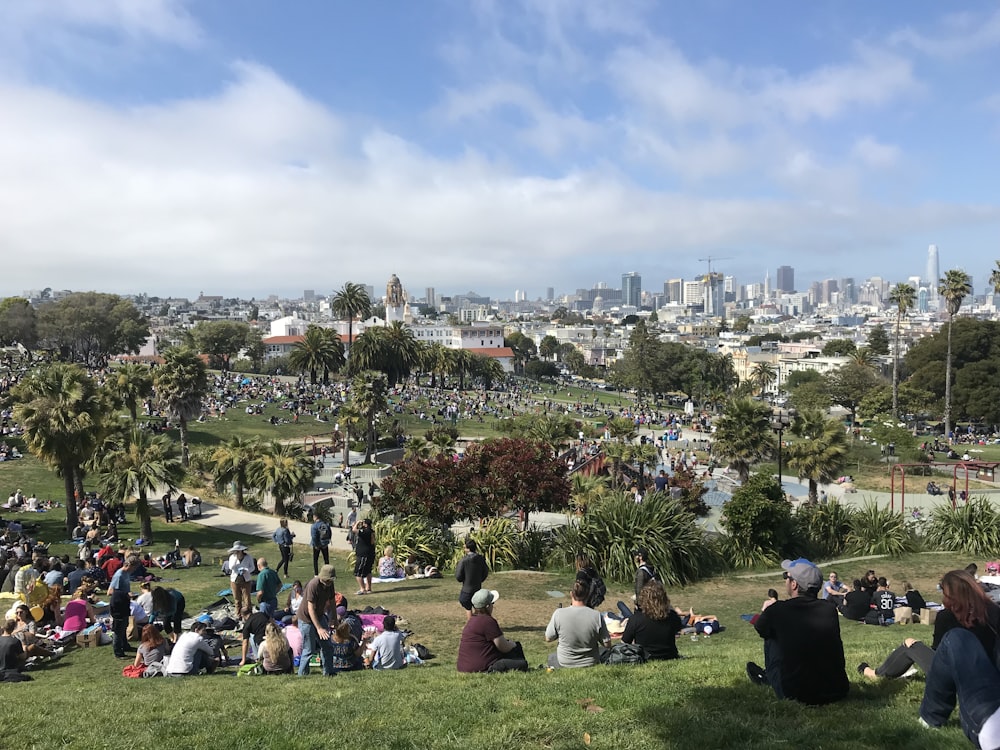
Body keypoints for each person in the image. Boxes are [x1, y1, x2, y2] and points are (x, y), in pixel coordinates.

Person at [747, 558, 849, 705]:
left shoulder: (777, 610)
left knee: (770, 635)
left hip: (795, 693)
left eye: (786, 577)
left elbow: (760, 629)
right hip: (836, 690)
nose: (785, 581)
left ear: (794, 584)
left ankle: (769, 676)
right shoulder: (829, 609)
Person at [919, 569, 1000, 746]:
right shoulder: (994, 613)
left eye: (944, 594)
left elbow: (937, 655)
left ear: (952, 598)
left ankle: (930, 716)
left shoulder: (946, 618)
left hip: (987, 710)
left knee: (953, 639)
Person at [457, 589, 528, 673]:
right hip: (481, 668)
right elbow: (503, 647)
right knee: (522, 662)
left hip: (463, 667)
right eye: (492, 603)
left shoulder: (472, 620)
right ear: (488, 606)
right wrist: (513, 644)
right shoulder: (488, 621)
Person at [545, 579, 611, 669]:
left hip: (565, 661)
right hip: (590, 661)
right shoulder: (596, 615)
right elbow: (607, 644)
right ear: (588, 595)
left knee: (551, 657)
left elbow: (548, 638)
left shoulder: (559, 613)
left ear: (571, 594)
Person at [621, 581, 683, 661]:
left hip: (645, 657)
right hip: (669, 655)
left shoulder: (636, 619)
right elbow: (678, 628)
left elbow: (624, 643)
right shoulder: (672, 616)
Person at [297, 564, 338, 676]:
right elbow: (311, 609)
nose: (329, 583)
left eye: (330, 580)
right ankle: (302, 675)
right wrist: (319, 628)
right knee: (309, 649)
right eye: (327, 580)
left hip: (319, 616)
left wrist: (334, 618)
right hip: (306, 619)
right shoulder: (313, 585)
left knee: (327, 646)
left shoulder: (330, 585)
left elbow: (332, 602)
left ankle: (328, 672)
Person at [107, 554, 140, 659]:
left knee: (125, 625)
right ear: (129, 565)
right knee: (118, 629)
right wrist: (126, 594)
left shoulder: (127, 574)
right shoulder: (119, 575)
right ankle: (118, 651)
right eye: (134, 567)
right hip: (117, 604)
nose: (134, 570)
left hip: (125, 603)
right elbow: (111, 592)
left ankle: (125, 645)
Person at [455, 538, 489, 619]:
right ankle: (480, 621)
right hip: (477, 587)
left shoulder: (463, 561)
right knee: (478, 606)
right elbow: (486, 571)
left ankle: (472, 624)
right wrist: (480, 579)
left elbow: (458, 577)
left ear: (467, 548)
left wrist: (463, 579)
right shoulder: (481, 559)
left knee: (467, 606)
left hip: (467, 589)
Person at [227, 542, 255, 618]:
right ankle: (238, 614)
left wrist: (246, 570)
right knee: (237, 599)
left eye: (238, 550)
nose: (236, 552)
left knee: (247, 599)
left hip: (246, 580)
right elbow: (231, 567)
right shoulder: (232, 557)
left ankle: (248, 614)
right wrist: (236, 559)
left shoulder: (248, 557)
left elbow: (252, 567)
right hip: (235, 580)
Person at [353, 517, 375, 596]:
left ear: (365, 524)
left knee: (358, 573)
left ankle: (362, 589)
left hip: (363, 555)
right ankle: (368, 588)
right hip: (370, 554)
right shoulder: (371, 531)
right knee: (368, 571)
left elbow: (354, 530)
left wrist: (357, 523)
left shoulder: (366, 531)